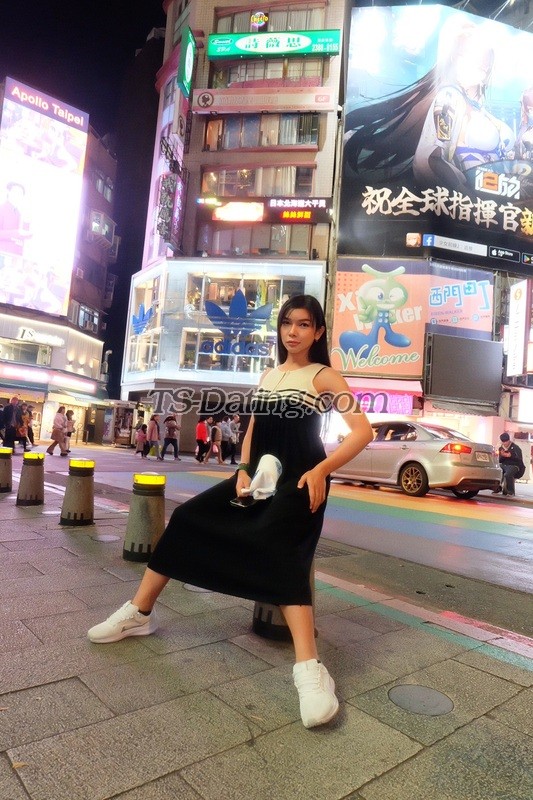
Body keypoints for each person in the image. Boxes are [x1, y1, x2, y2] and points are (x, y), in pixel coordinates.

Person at [88, 295, 373, 730]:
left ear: (318, 332)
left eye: (303, 324)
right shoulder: (269, 375)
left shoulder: (324, 376)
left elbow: (362, 432)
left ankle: (310, 669)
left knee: (283, 551)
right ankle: (139, 613)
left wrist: (321, 470)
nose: (293, 332)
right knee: (187, 519)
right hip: (258, 477)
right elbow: (253, 429)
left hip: (300, 481)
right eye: (287, 323)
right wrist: (242, 468)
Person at [493, 432, 525, 498]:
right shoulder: (501, 448)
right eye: (503, 442)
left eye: (506, 441)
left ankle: (511, 491)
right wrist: (503, 455)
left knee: (508, 474)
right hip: (504, 465)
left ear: (509, 440)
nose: (505, 443)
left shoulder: (515, 447)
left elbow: (519, 459)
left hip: (514, 465)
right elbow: (500, 460)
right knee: (497, 470)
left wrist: (510, 456)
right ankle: (497, 487)